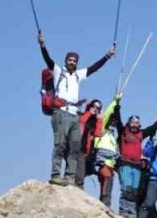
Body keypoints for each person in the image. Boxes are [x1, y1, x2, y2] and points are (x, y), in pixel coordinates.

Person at [39, 33, 114, 185]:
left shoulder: (78, 75)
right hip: (61, 112)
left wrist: (107, 56)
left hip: (74, 114)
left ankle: (69, 176)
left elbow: (94, 68)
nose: (72, 62)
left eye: (74, 61)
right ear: (65, 61)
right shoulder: (59, 71)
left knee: (75, 145)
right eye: (70, 60)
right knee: (60, 144)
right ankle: (55, 174)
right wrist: (43, 46)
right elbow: (48, 59)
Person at [109, 102, 157, 218]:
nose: (135, 125)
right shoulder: (123, 132)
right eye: (133, 122)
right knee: (126, 189)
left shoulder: (141, 134)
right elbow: (119, 121)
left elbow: (154, 127)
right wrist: (117, 108)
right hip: (125, 164)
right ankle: (123, 212)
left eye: (137, 123)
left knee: (134, 191)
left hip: (136, 165)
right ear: (129, 123)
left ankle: (131, 213)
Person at [87, 95, 122, 208]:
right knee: (105, 185)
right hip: (103, 162)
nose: (113, 123)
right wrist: (115, 101)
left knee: (108, 186)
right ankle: (103, 206)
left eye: (114, 122)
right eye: (111, 121)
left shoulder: (113, 137)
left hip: (111, 165)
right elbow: (106, 114)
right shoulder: (102, 129)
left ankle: (105, 206)